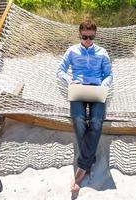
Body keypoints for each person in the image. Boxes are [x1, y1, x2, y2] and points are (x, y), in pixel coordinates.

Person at [57, 20, 113, 193]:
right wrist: (69, 80)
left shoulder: (102, 53)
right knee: (78, 121)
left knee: (96, 122)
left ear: (95, 35)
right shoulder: (72, 51)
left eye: (91, 37)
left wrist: (104, 85)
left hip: (96, 89)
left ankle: (82, 167)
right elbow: (60, 70)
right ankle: (88, 161)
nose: (88, 40)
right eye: (84, 37)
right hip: (77, 88)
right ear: (79, 35)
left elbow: (109, 74)